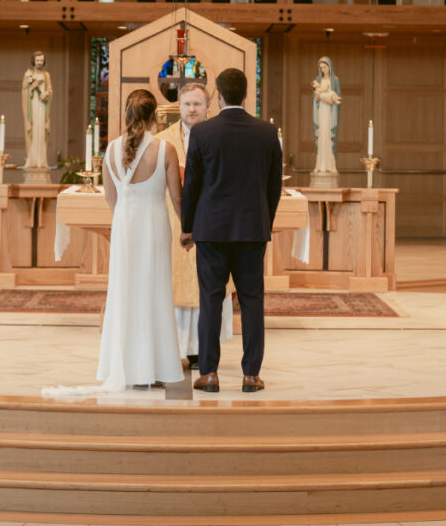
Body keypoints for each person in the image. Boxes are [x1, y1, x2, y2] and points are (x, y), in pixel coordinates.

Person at [43, 89, 184, 396]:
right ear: (153, 117)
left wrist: (124, 221)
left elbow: (111, 198)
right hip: (154, 225)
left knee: (125, 292)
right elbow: (176, 197)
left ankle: (127, 366)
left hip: (125, 225)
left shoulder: (110, 151)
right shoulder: (166, 150)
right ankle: (155, 369)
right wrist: (188, 229)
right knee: (155, 291)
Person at [181, 68, 282, 394]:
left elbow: (192, 185)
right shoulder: (267, 133)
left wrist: (187, 226)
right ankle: (251, 375)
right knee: (252, 301)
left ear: (219, 97)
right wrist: (264, 220)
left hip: (210, 230)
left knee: (210, 301)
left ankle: (209, 373)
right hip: (252, 229)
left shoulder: (202, 133)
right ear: (246, 94)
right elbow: (274, 186)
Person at [155, 82, 233, 369]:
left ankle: (203, 350)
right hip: (175, 224)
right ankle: (173, 347)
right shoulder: (161, 141)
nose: (191, 109)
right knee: (173, 285)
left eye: (197, 104)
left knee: (209, 287)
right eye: (187, 104)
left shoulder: (222, 137)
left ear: (208, 106)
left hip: (212, 223)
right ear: (179, 105)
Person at [22, 51, 52, 172]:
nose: (39, 63)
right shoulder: (28, 74)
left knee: (41, 130)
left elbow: (50, 89)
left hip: (42, 106)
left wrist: (46, 93)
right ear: (33, 61)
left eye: (41, 60)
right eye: (37, 60)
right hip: (33, 105)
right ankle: (32, 160)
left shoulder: (46, 75)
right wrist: (33, 86)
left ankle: (42, 160)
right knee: (33, 130)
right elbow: (24, 89)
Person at [312, 56, 341, 175]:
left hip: (330, 111)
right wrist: (319, 97)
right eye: (321, 68)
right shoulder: (318, 81)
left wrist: (329, 98)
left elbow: (337, 98)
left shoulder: (335, 80)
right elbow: (315, 98)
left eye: (325, 67)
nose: (323, 70)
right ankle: (320, 164)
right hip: (321, 111)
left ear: (330, 67)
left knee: (329, 135)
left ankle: (329, 165)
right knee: (322, 135)